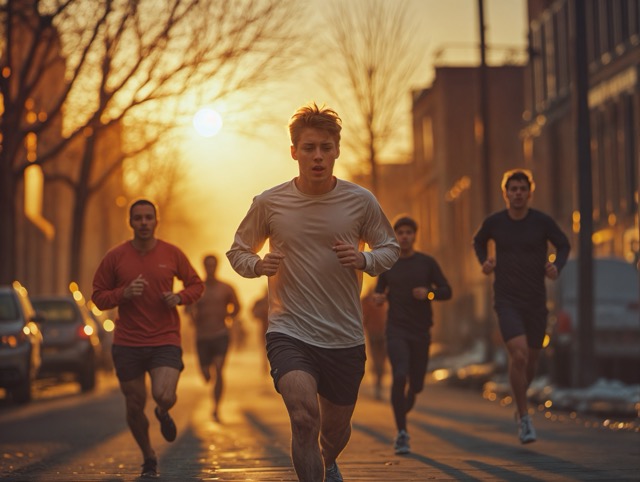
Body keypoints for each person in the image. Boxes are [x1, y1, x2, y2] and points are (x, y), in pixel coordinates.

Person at [226, 103, 399, 482]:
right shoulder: (270, 203)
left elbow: (390, 247)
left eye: (325, 147)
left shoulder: (361, 201)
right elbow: (238, 251)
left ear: (337, 149)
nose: (317, 156)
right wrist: (258, 265)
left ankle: (328, 459)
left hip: (344, 336)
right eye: (308, 148)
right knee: (304, 418)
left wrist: (364, 259)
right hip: (290, 331)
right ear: (294, 152)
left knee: (334, 432)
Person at [91, 199, 204, 478]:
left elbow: (196, 284)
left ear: (156, 221)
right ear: (130, 222)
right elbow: (97, 296)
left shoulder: (171, 253)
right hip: (128, 341)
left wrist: (179, 297)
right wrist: (123, 294)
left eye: (148, 218)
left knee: (163, 395)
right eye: (138, 218)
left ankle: (163, 412)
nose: (143, 223)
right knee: (134, 404)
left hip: (165, 338)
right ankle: (148, 457)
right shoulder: (116, 257)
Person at [473, 169, 570, 444]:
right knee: (518, 355)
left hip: (536, 301)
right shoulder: (494, 222)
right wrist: (485, 261)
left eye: (521, 189)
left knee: (532, 360)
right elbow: (478, 241)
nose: (517, 193)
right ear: (506, 193)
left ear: (529, 192)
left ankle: (520, 399)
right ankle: (524, 416)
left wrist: (556, 265)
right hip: (506, 300)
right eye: (512, 189)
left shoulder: (542, 222)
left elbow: (563, 245)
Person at [373, 216, 452, 455]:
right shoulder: (388, 264)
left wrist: (428, 293)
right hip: (396, 329)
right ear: (395, 236)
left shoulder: (426, 263)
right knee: (399, 374)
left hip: (420, 331)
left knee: (416, 384)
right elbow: (378, 292)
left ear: (415, 235)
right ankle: (402, 433)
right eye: (400, 232)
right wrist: (378, 299)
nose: (405, 236)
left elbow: (446, 291)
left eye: (409, 232)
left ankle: (407, 401)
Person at [186, 254, 240, 422]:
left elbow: (237, 306)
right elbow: (187, 308)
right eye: (207, 265)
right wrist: (193, 318)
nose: (210, 268)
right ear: (203, 267)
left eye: (213, 265)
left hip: (221, 334)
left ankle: (216, 407)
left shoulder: (226, 288)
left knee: (218, 368)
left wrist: (229, 316)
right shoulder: (196, 288)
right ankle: (206, 373)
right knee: (206, 374)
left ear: (217, 266)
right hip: (202, 337)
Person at [360, 287, 388, 400]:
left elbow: (364, 318)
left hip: (379, 333)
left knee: (379, 360)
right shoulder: (369, 301)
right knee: (379, 360)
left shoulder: (366, 300)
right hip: (378, 333)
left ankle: (378, 383)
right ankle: (378, 384)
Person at [251, 290, 270, 374]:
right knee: (263, 347)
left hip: (274, 326)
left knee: (267, 346)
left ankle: (267, 364)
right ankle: (264, 364)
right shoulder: (260, 302)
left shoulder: (275, 299)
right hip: (264, 327)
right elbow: (253, 312)